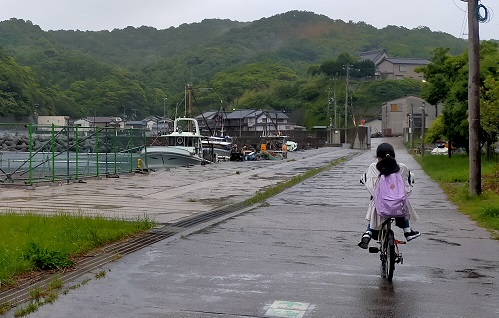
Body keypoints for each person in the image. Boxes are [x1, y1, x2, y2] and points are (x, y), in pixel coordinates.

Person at [358, 142, 421, 249]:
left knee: (375, 204)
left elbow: (368, 183)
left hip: (381, 208)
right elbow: (408, 186)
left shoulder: (373, 167)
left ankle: (368, 233)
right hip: (399, 207)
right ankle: (407, 231)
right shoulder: (402, 168)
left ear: (378, 157)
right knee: (403, 200)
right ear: (394, 155)